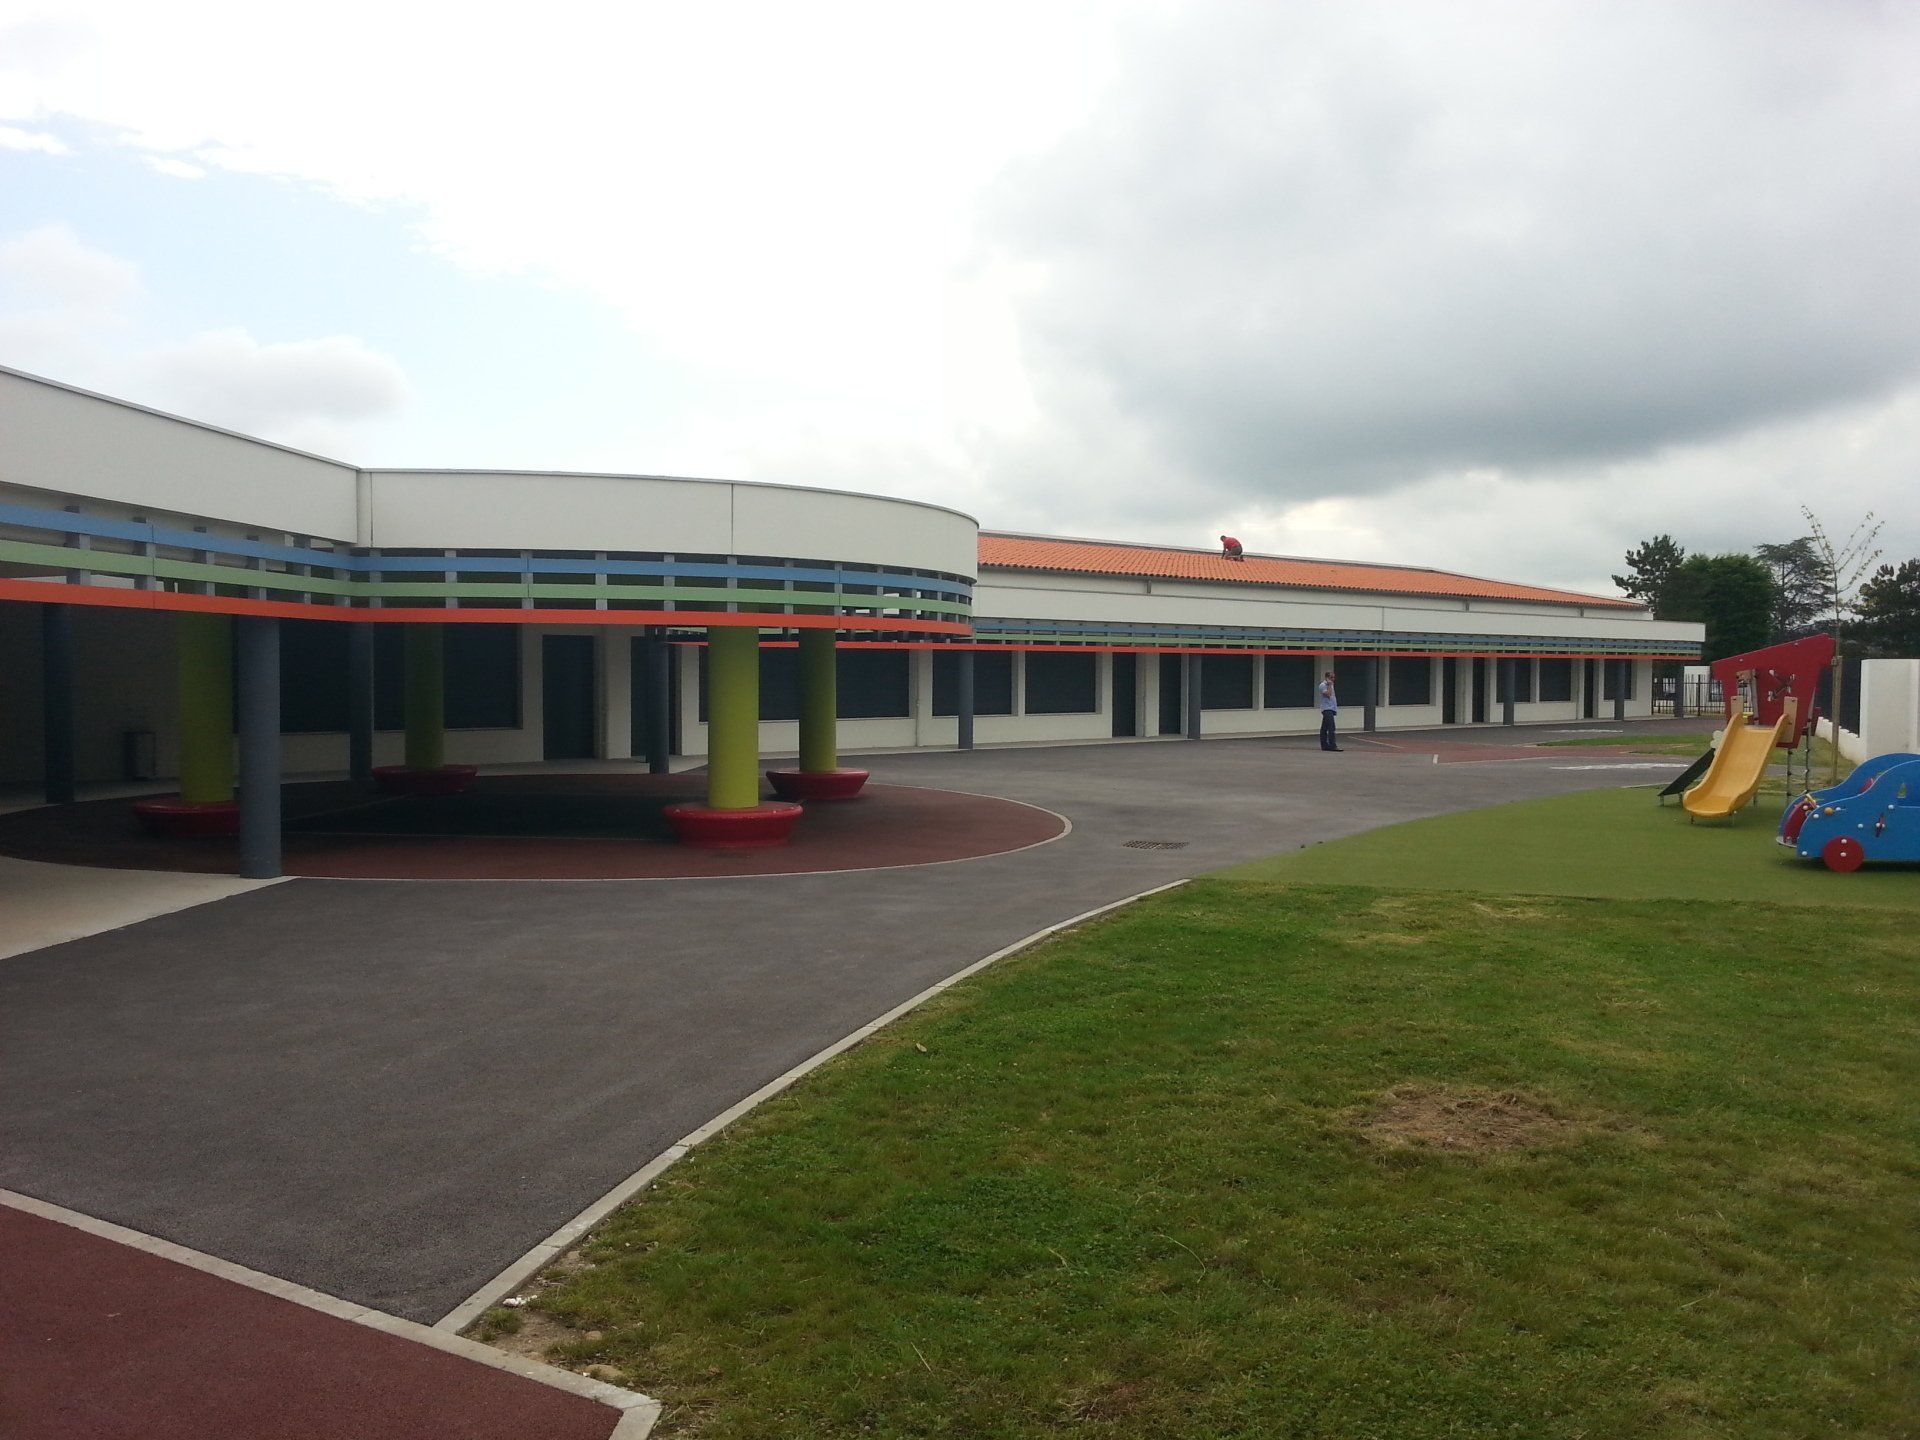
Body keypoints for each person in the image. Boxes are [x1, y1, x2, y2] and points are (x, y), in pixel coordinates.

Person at [1318, 670, 1341, 751]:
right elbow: (1328, 695)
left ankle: (1324, 745)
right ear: (1327, 678)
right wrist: (1330, 685)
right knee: (1331, 727)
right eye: (1331, 677)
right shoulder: (1323, 685)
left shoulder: (1331, 685)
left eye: (1334, 677)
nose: (1333, 679)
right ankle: (1333, 745)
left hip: (1331, 708)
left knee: (1324, 727)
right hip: (1327, 709)